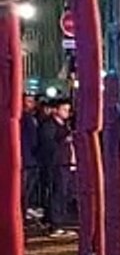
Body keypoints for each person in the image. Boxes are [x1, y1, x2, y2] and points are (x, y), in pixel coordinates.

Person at [42, 99, 76, 237]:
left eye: (68, 110)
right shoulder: (49, 125)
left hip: (67, 162)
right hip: (58, 164)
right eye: (64, 109)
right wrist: (64, 141)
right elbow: (47, 145)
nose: (67, 112)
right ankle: (55, 224)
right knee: (58, 192)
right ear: (56, 110)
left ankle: (58, 221)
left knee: (66, 193)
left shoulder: (65, 125)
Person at [20, 94, 40, 222]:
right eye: (28, 101)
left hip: (29, 158)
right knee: (25, 187)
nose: (31, 104)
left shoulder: (30, 118)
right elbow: (33, 140)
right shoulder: (27, 119)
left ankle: (26, 208)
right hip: (28, 158)